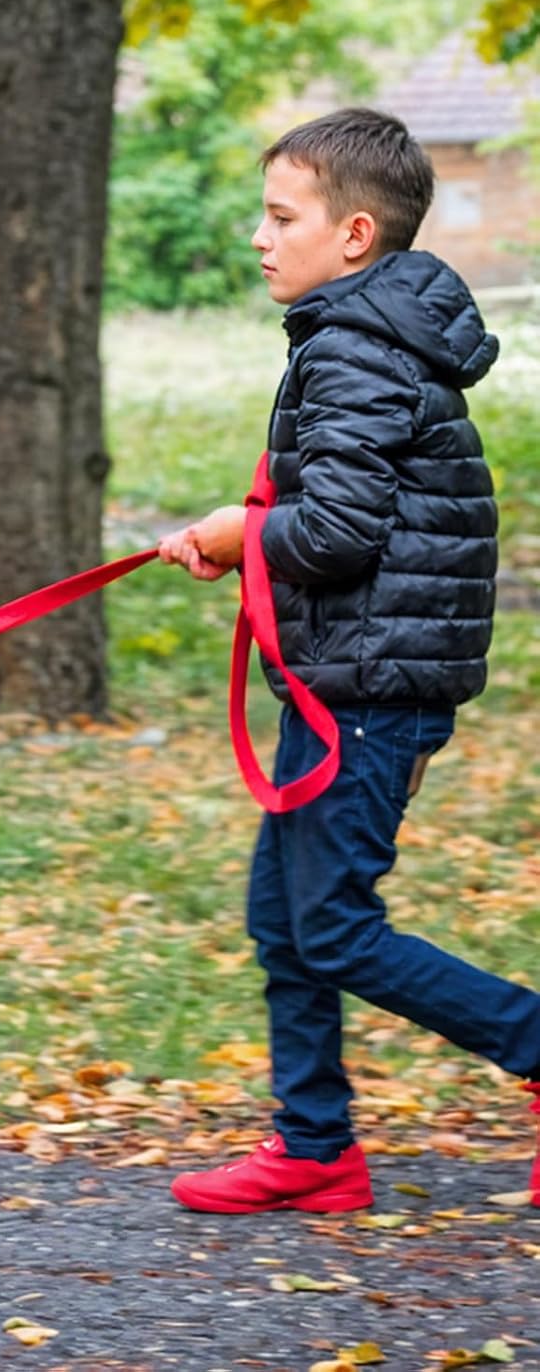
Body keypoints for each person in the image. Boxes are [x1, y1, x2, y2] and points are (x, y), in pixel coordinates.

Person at [157, 107, 540, 1214]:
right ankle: (315, 1146)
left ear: (357, 234)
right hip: (346, 683)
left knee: (328, 923)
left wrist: (242, 533)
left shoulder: (359, 347)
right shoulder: (365, 336)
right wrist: (247, 530)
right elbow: (344, 516)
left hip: (372, 693)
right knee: (287, 920)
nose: (260, 237)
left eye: (283, 217)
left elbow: (335, 533)